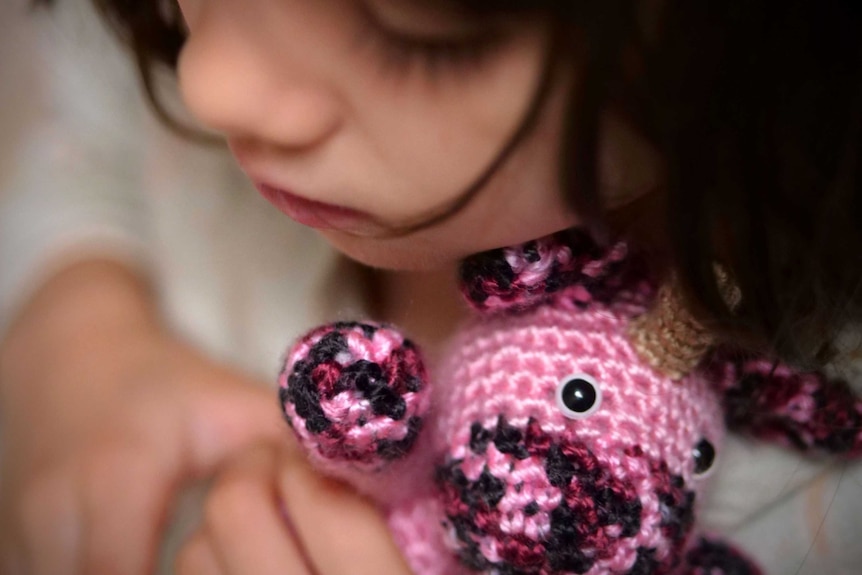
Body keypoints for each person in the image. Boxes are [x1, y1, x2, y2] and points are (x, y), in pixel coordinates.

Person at [1, 0, 861, 574]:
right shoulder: (188, 67)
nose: (213, 82)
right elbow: (90, 127)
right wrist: (79, 323)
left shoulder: (820, 496)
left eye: (419, 29)